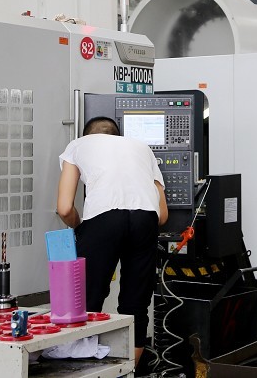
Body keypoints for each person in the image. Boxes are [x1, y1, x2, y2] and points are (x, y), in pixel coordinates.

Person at [56, 116, 168, 365]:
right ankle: (129, 371)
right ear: (117, 135)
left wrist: (81, 228)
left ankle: (81, 364)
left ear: (88, 135)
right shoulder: (142, 148)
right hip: (146, 219)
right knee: (136, 302)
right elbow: (162, 216)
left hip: (103, 217)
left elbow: (64, 208)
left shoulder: (77, 145)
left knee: (87, 299)